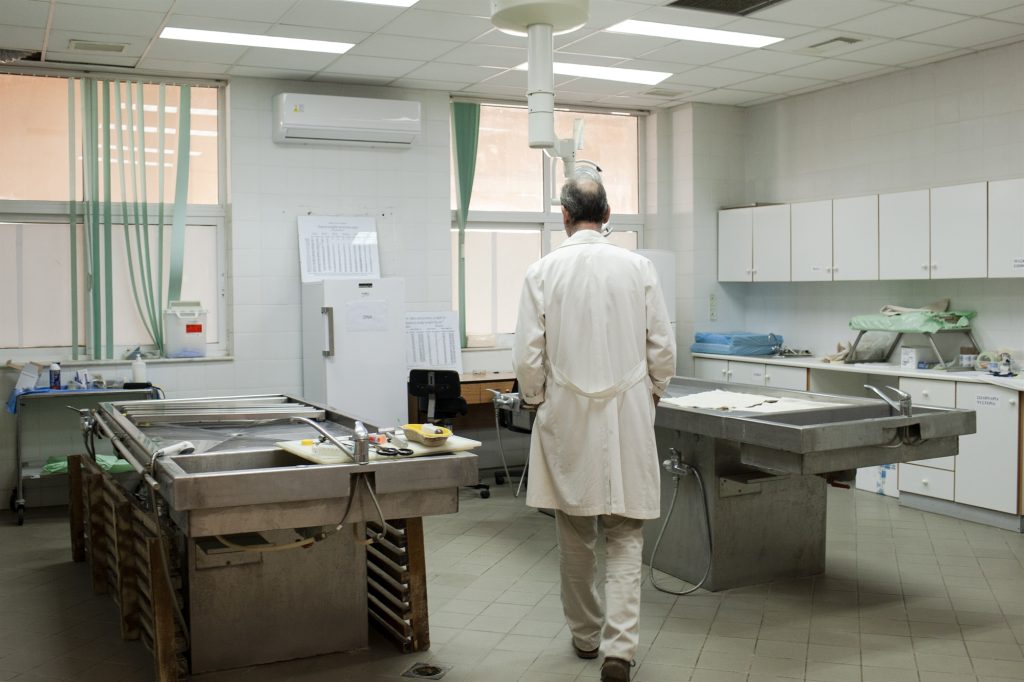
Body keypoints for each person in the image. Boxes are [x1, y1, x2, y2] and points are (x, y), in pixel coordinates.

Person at [512, 172, 676, 682]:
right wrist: (651, 392)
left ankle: (585, 636)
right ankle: (619, 651)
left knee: (575, 533)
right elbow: (662, 347)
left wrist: (537, 400)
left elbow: (527, 356)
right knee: (626, 535)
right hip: (628, 414)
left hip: (566, 418)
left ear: (564, 216)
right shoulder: (638, 268)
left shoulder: (541, 272)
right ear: (607, 215)